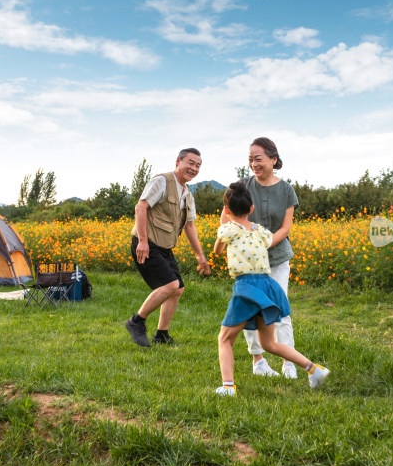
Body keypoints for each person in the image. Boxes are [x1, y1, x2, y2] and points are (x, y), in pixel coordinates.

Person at [212, 181, 329, 396]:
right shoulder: (261, 231)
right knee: (269, 343)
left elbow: (217, 250)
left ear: (226, 210)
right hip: (267, 286)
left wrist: (225, 219)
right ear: (251, 209)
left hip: (247, 287)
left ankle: (228, 387)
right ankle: (314, 369)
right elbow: (266, 242)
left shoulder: (228, 230)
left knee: (225, 339)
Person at [222, 137, 301, 379]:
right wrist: (245, 242)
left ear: (273, 159)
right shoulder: (241, 186)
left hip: (277, 259)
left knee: (280, 309)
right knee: (250, 312)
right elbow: (226, 219)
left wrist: (263, 243)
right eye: (250, 160)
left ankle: (289, 362)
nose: (254, 164)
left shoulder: (287, 190)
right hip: (248, 265)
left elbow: (285, 228)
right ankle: (259, 361)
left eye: (258, 159)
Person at [125, 148, 211, 347]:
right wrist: (144, 242)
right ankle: (136, 322)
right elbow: (141, 207)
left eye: (198, 165)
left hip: (164, 247)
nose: (194, 168)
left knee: (178, 289)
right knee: (170, 285)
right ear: (178, 161)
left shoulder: (188, 194)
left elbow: (189, 226)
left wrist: (200, 256)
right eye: (190, 163)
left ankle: (161, 335)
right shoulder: (162, 181)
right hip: (147, 243)